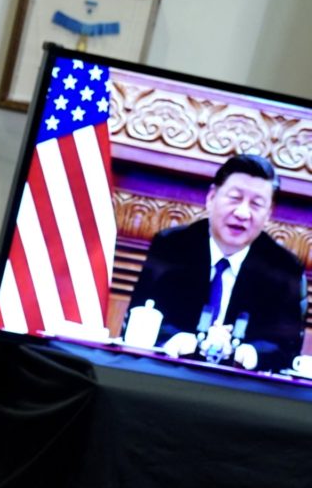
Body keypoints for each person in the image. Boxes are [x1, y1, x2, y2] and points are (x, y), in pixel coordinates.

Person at [126, 154, 307, 372]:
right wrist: (185, 340)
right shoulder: (172, 246)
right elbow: (141, 316)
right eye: (234, 198)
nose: (242, 213)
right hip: (169, 375)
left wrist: (244, 352)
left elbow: (285, 348)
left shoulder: (284, 268)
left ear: (268, 214)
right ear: (211, 197)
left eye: (257, 204)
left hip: (240, 390)